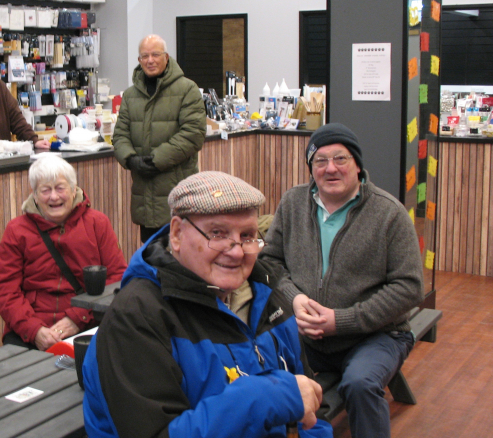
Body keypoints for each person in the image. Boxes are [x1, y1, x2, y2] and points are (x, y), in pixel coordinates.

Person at [82, 171, 332, 438]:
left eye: (247, 235)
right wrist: (266, 396)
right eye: (217, 233)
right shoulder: (136, 317)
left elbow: (314, 410)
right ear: (177, 234)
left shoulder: (268, 295)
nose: (236, 250)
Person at [258, 123, 424, 438]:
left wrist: (340, 321)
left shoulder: (389, 214)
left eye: (341, 159)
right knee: (259, 374)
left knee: (360, 385)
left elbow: (410, 288)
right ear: (311, 168)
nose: (330, 168)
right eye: (320, 161)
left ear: (358, 165)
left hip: (377, 336)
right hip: (306, 336)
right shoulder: (293, 203)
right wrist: (294, 298)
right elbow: (268, 262)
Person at [0, 155, 127, 350]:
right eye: (45, 190)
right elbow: (5, 291)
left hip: (87, 323)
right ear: (34, 195)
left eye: (60, 188)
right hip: (30, 329)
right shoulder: (16, 230)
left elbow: (117, 278)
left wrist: (77, 318)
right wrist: (34, 330)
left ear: (73, 190)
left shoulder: (97, 223)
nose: (54, 197)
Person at [112, 34, 206, 243]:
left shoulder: (187, 89)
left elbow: (193, 134)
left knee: (180, 259)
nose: (150, 60)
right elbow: (119, 135)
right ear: (139, 61)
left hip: (178, 193)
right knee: (150, 258)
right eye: (144, 56)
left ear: (166, 57)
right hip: (144, 196)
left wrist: (156, 160)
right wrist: (130, 159)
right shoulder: (130, 95)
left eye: (155, 54)